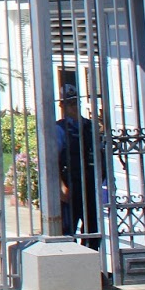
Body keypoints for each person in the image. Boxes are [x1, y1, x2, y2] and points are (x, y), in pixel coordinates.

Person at [56, 94, 103, 250]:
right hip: (71, 182)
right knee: (68, 229)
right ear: (62, 106)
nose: (73, 107)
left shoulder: (89, 126)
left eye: (75, 103)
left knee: (92, 229)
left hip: (89, 182)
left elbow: (100, 154)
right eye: (69, 104)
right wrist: (61, 185)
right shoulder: (59, 128)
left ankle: (90, 263)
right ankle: (71, 263)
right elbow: (53, 159)